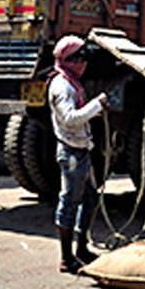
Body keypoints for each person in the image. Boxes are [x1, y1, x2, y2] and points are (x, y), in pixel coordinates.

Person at [48, 35, 110, 273]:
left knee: (90, 200)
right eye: (80, 60)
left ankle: (81, 248)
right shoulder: (62, 87)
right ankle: (66, 257)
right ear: (69, 61)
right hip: (71, 151)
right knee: (70, 202)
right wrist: (96, 105)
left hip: (81, 149)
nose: (84, 65)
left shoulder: (71, 82)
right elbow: (70, 119)